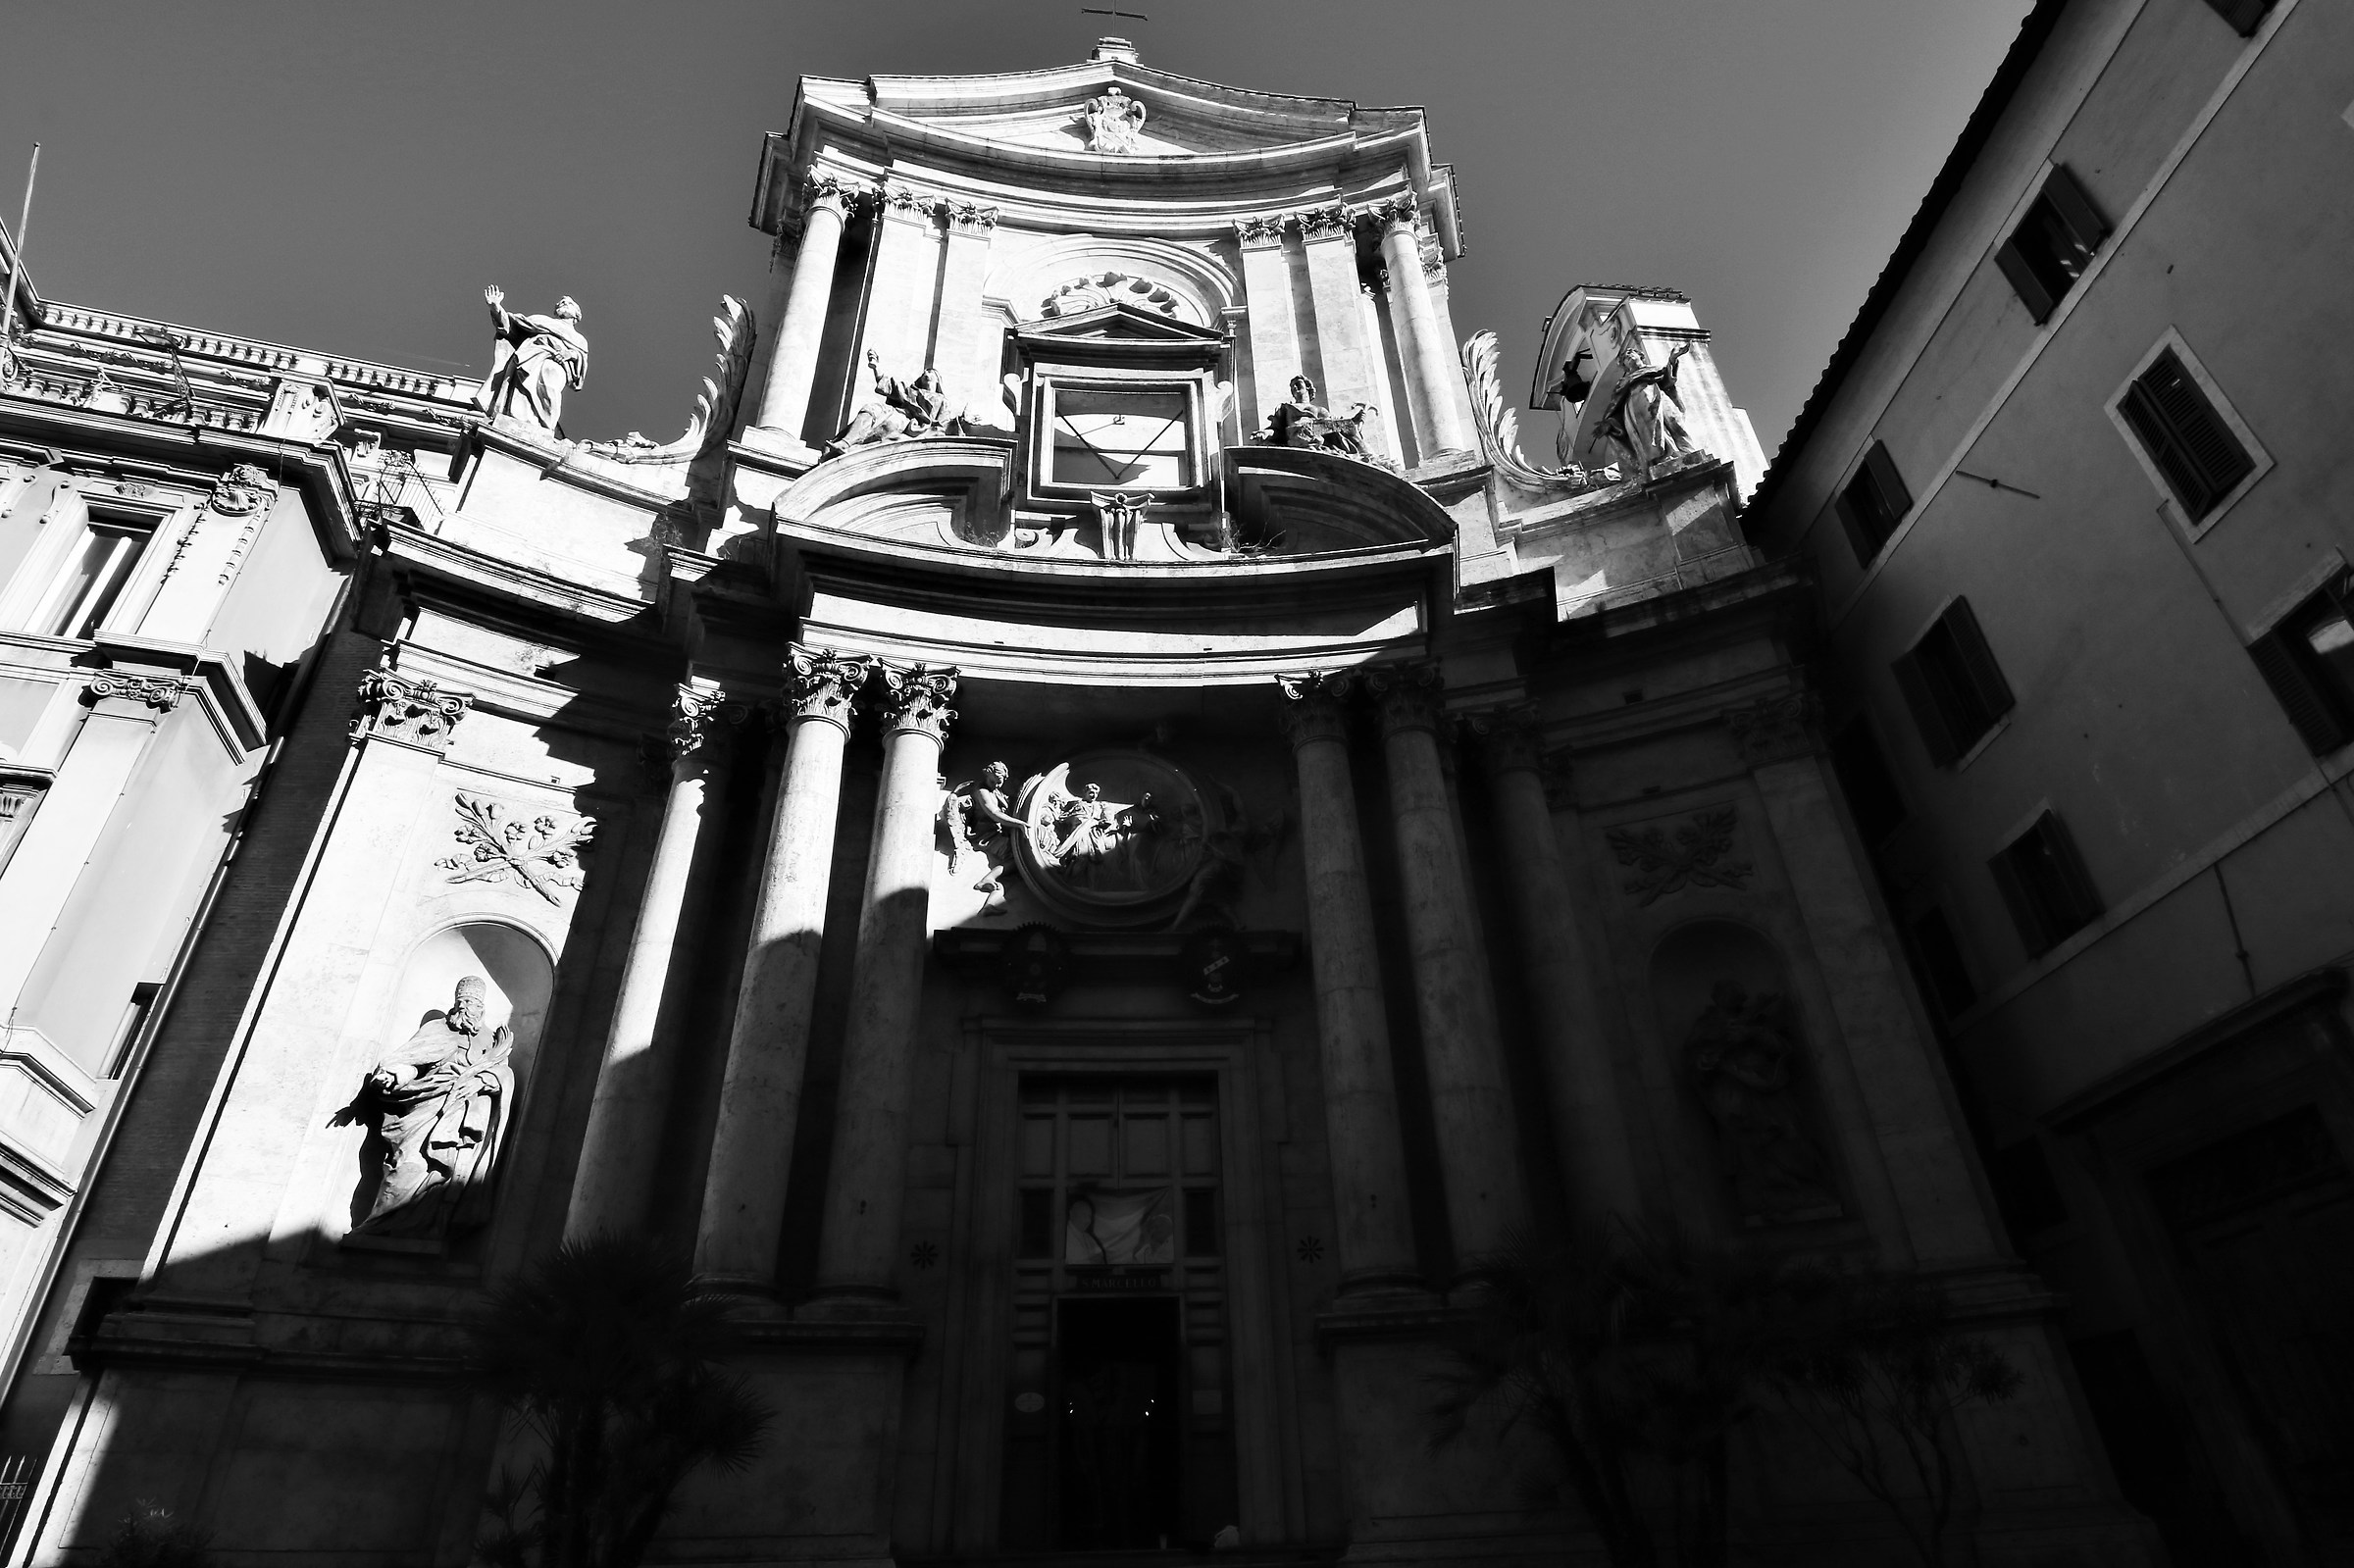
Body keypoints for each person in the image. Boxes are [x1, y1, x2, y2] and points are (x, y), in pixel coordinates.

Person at [336, 975, 515, 1239]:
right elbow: (411, 1060)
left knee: (446, 1176)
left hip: (461, 1117)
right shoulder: (437, 1029)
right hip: (425, 1108)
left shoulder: (490, 1041)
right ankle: (379, 1225)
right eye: (461, 1001)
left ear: (482, 1008)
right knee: (407, 1164)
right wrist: (394, 1075)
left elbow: (504, 1075)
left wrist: (482, 1080)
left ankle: (429, 1231)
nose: (465, 1007)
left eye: (472, 1003)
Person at [475, 287, 588, 432]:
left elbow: (580, 363)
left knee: (550, 384)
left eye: (567, 303)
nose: (562, 304)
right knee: (521, 393)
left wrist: (569, 354)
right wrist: (496, 308)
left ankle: (545, 427)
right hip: (529, 358)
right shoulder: (541, 320)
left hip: (556, 363)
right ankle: (518, 422)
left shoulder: (579, 339)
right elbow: (510, 326)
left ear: (577, 314)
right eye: (560, 303)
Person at [820, 351, 956, 458]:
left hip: (915, 425)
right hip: (899, 413)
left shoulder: (943, 401)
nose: (926, 373)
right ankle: (845, 443)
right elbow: (890, 386)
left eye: (931, 372)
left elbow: (942, 427)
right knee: (870, 409)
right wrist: (876, 367)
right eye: (924, 372)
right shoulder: (911, 390)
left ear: (938, 380)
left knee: (892, 423)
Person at [1261, 375, 1374, 458]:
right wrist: (1265, 433)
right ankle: (1366, 453)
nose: (1294, 387)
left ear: (1308, 388)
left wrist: (1355, 419)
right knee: (1346, 425)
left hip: (1315, 430)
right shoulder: (1285, 407)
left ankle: (1366, 454)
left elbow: (1332, 423)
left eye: (1298, 384)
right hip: (1297, 432)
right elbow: (1277, 429)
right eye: (1292, 387)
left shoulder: (1319, 410)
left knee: (1348, 426)